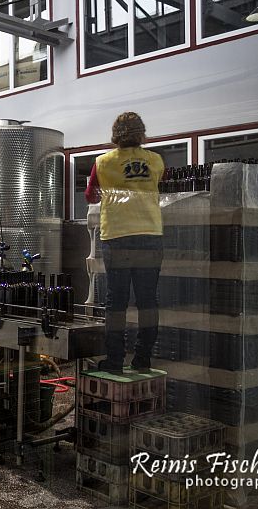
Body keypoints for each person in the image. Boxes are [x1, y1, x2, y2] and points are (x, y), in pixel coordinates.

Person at [85, 112, 164, 374]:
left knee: (116, 302)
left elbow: (91, 196)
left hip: (117, 237)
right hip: (150, 235)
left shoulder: (103, 162)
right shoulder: (155, 160)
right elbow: (157, 185)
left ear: (115, 135)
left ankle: (115, 361)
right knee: (147, 301)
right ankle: (143, 359)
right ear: (142, 134)